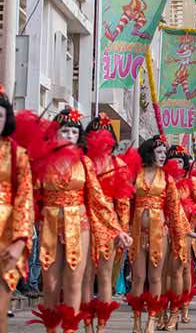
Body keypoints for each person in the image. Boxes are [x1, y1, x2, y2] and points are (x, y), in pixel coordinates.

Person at [26, 108, 131, 333]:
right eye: (65, 131)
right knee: (51, 284)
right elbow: (32, 197)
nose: (70, 136)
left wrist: (117, 229)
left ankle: (71, 329)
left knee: (74, 280)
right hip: (50, 225)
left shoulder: (85, 163)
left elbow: (98, 199)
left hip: (79, 224)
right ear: (55, 133)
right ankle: (52, 329)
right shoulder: (42, 162)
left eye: (74, 132)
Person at [81, 113, 137, 333]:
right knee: (86, 275)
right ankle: (86, 325)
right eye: (95, 133)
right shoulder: (83, 163)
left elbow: (123, 203)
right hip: (84, 222)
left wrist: (122, 230)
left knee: (104, 276)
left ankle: (102, 326)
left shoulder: (119, 164)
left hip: (109, 226)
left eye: (104, 133)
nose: (100, 137)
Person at [126, 135, 188, 333]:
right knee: (137, 278)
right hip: (136, 233)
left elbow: (174, 210)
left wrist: (180, 238)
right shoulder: (135, 174)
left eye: (164, 153)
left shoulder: (167, 179)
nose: (164, 156)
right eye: (160, 152)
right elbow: (127, 204)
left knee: (155, 278)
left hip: (159, 234)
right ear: (149, 152)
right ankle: (136, 321)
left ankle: (152, 319)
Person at [159, 145, 196, 330]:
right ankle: (163, 309)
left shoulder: (192, 181)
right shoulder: (162, 180)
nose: (176, 163)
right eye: (172, 160)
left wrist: (186, 209)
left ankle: (181, 308)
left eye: (179, 160)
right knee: (162, 272)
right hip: (163, 229)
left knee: (183, 270)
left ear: (185, 163)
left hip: (186, 230)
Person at [0, 87, 34, 333]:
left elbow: (25, 199)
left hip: (7, 236)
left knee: (0, 311)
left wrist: (20, 241)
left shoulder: (17, 154)